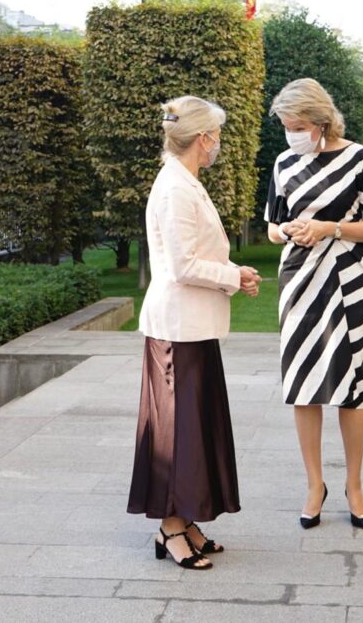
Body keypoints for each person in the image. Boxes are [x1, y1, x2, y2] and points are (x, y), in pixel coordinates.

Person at [127, 95, 261, 570]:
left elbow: (195, 253)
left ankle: (185, 519)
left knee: (193, 427)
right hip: (177, 329)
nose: (217, 145)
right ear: (203, 138)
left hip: (193, 327)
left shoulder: (185, 182)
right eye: (216, 136)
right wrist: (232, 276)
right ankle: (169, 528)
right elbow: (182, 265)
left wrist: (234, 271)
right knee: (175, 432)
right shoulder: (176, 188)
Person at [265, 78, 363, 530]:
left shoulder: (359, 159)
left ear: (320, 121)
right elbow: (272, 227)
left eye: (296, 125)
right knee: (303, 384)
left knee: (350, 389)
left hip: (349, 282)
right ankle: (314, 484)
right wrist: (290, 231)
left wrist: (330, 228)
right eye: (285, 126)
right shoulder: (282, 162)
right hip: (298, 281)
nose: (290, 133)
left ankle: (354, 486)